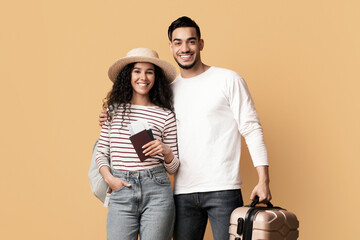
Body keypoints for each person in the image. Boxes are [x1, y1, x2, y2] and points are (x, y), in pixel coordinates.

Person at [99, 17, 272, 240]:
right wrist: (108, 117)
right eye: (178, 42)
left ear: (201, 43)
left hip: (223, 188)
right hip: (181, 193)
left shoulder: (228, 79)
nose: (185, 48)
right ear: (171, 46)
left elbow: (251, 128)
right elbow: (136, 115)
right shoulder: (166, 93)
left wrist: (263, 179)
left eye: (191, 42)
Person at [95, 48, 180, 240]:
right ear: (128, 75)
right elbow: (101, 153)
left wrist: (165, 150)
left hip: (157, 190)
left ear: (156, 77)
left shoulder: (165, 115)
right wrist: (110, 179)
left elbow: (173, 168)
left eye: (149, 72)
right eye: (138, 71)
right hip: (121, 188)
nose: (144, 77)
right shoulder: (113, 111)